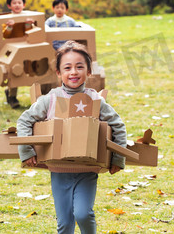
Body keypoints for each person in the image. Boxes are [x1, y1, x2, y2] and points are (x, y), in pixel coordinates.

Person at [17, 40, 126, 233]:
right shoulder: (49, 99)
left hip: (87, 169)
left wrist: (118, 158)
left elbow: (118, 125)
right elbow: (25, 120)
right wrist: (27, 150)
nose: (73, 72)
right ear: (59, 73)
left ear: (89, 71)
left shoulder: (95, 100)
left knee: (84, 214)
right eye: (67, 68)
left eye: (79, 67)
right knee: (65, 223)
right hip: (59, 170)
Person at [3, 0, 35, 108]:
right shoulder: (7, 19)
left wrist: (28, 25)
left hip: (26, 48)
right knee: (14, 72)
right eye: (14, 3)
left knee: (28, 71)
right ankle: (12, 96)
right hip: (12, 49)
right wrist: (9, 27)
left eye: (19, 2)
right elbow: (5, 35)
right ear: (9, 5)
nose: (17, 5)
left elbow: (31, 33)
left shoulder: (28, 17)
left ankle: (36, 95)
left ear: (24, 5)